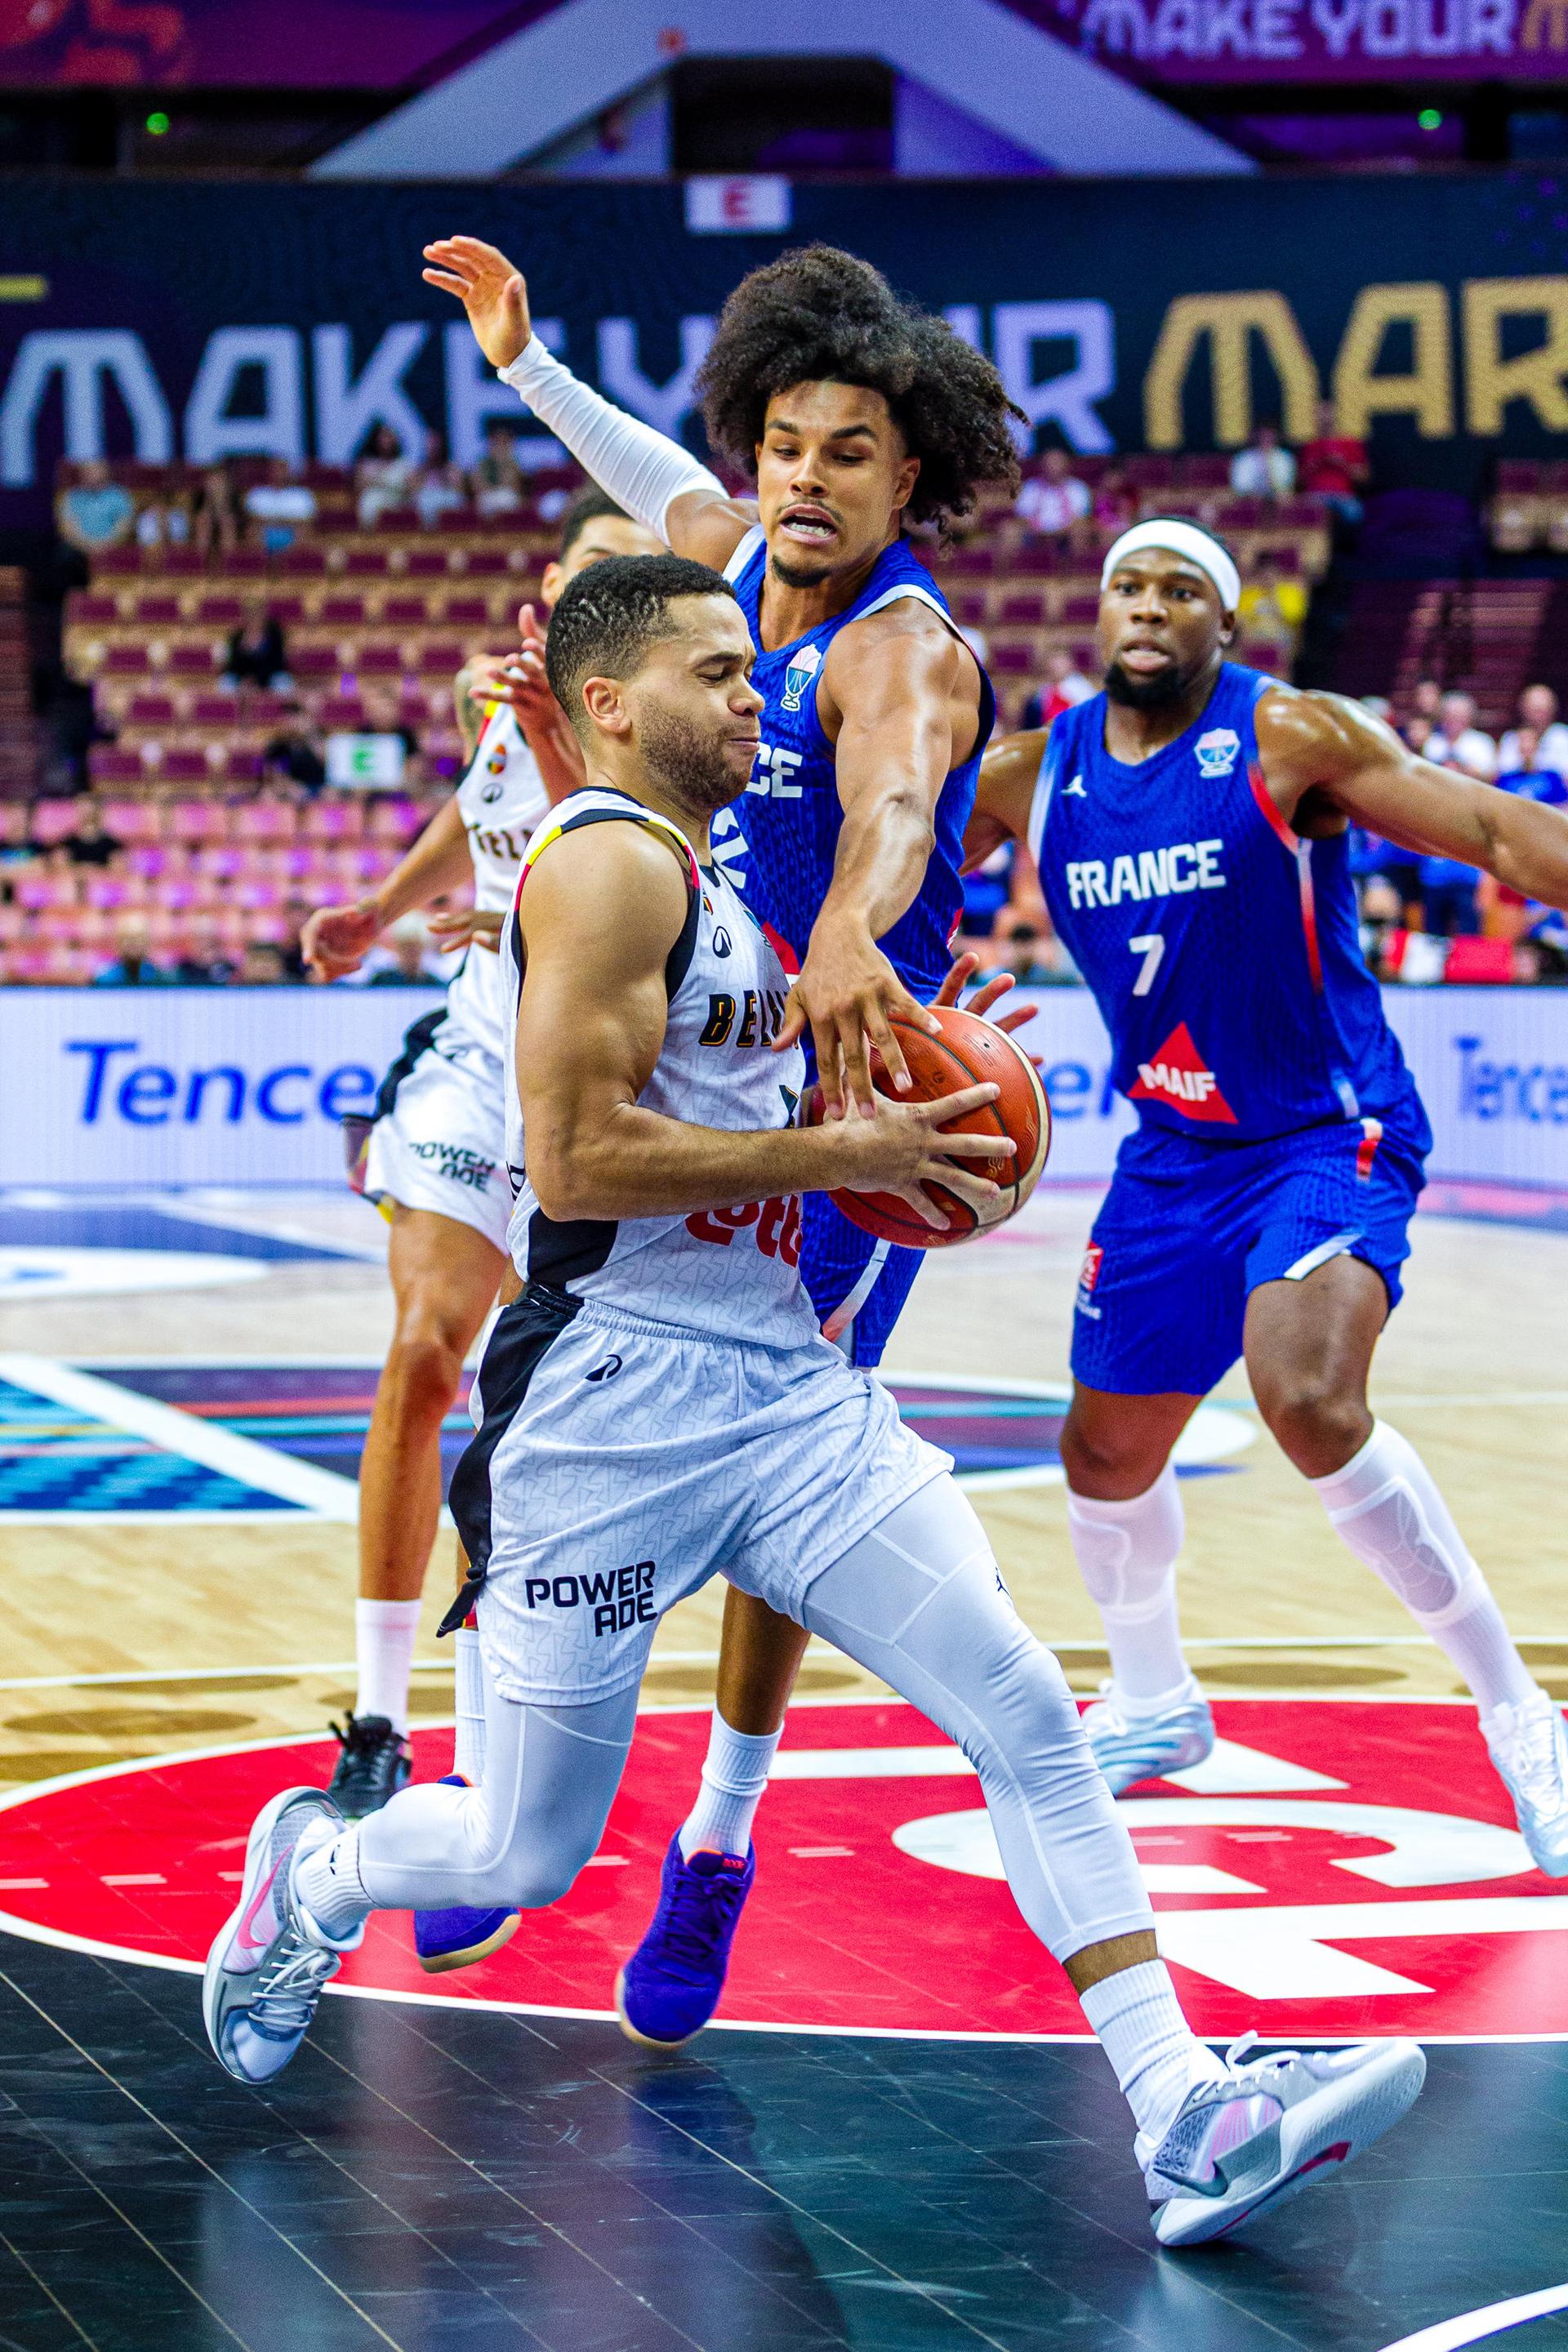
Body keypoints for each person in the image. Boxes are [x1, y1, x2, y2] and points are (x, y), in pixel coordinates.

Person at [204, 555, 1427, 2248]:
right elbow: (575, 1157)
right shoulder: (611, 869)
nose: (753, 698)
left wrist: (920, 1069)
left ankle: (1186, 2113)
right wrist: (843, 1149)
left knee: (1022, 1707)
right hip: (605, 1416)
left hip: (784, 1393)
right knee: (520, 1852)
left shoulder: (702, 877)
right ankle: (318, 1875)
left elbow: (748, 1081)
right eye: (719, 673)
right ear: (617, 705)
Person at [421, 233, 1021, 2020]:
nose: (805, 477)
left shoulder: (906, 642)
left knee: (784, 1500)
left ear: (907, 470)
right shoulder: (729, 560)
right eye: (783, 444)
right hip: (689, 1070)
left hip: (839, 1117)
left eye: (849, 450)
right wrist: (525, 365)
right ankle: (484, 1778)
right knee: (524, 1391)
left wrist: (854, 923)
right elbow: (648, 475)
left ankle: (716, 1849)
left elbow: (899, 803)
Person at [956, 519, 1568, 1856]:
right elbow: (888, 862)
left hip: (1320, 1133)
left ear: (1224, 629)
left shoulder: (1294, 738)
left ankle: (1522, 1715)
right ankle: (1160, 1701)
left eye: (1184, 590)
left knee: (1307, 1395)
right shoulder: (1032, 771)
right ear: (1101, 610)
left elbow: (1493, 832)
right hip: (1171, 1153)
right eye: (1132, 584)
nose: (1150, 606)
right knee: (1102, 1452)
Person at [297, 488, 662, 1827]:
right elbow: (481, 803)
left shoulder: (661, 734)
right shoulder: (499, 697)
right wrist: (383, 909)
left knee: (545, 1423)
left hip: (597, 1094)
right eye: (587, 571)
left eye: (631, 576)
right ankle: (380, 1716)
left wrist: (565, 744)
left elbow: (608, 851)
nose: (599, 595)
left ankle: (499, 1708)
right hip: (471, 1069)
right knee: (423, 1346)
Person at [1296, 400, 1368, 526]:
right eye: (1320, 414)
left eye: (1327, 413)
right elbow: (1298, 481)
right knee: (1305, 512)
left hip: (1344, 496)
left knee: (1355, 514)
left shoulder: (1350, 443)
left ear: (1335, 416)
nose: (1324, 418)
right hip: (1316, 495)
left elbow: (1363, 478)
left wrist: (1342, 463)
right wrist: (1316, 465)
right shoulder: (1309, 446)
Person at [55, 459, 134, 557]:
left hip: (112, 547)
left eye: (93, 470)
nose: (89, 474)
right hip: (79, 549)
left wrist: (106, 545)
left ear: (105, 472)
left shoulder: (120, 495)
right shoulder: (72, 497)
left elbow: (124, 526)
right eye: (86, 471)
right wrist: (88, 546)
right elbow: (67, 529)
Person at [244, 457, 317, 555]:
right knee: (253, 530)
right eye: (275, 469)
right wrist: (287, 520)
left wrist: (273, 520)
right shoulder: (257, 494)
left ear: (289, 471)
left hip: (293, 534)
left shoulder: (302, 495)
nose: (278, 473)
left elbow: (307, 521)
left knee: (303, 531)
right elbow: (253, 519)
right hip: (265, 534)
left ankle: (294, 563)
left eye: (282, 469)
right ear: (269, 471)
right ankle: (258, 565)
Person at [1015, 447, 1090, 540]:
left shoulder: (1077, 487)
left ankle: (1078, 555)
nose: (1053, 467)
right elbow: (1022, 517)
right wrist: (1041, 532)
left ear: (1066, 465)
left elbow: (1080, 518)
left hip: (1067, 535)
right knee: (1010, 530)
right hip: (1033, 535)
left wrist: (1058, 533)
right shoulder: (1030, 487)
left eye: (1057, 462)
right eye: (1050, 463)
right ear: (1042, 465)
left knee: (1080, 530)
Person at [1499, 684, 1568, 779]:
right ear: (1523, 709)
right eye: (1534, 710)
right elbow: (1503, 773)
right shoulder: (1511, 738)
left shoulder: (1563, 735)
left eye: (1542, 710)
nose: (1537, 716)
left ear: (1553, 710)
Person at [1426, 688, 1497, 782]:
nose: (1453, 720)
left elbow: (1490, 776)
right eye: (1449, 714)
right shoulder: (1433, 742)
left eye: (1459, 716)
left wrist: (1461, 769)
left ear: (1469, 717)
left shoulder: (1482, 742)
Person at [355, 423, 415, 528]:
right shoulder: (367, 464)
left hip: (397, 503)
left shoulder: (404, 464)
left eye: (389, 437)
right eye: (383, 437)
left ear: (395, 440)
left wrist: (377, 481)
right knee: (370, 500)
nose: (386, 441)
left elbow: (411, 490)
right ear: (376, 440)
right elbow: (359, 487)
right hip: (372, 502)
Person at [1021, 646, 1095, 729]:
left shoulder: (1082, 689)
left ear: (1070, 664)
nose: (1056, 667)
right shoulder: (1042, 690)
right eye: (1054, 663)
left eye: (1061, 663)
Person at [223, 600, 290, 692]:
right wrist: (244, 650)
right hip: (242, 679)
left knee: (283, 681)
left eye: (258, 614)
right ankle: (231, 706)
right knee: (226, 682)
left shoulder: (275, 636)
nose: (255, 618)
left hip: (269, 677)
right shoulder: (237, 637)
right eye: (251, 614)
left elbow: (278, 663)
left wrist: (258, 680)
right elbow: (232, 666)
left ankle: (279, 706)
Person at [92, 913, 171, 985]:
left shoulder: (160, 979)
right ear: (119, 942)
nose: (134, 943)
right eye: (128, 939)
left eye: (139, 938)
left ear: (148, 942)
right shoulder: (105, 981)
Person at [470, 420, 526, 515]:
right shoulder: (481, 463)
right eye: (497, 442)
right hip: (487, 497)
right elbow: (477, 487)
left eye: (503, 442)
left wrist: (502, 462)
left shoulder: (514, 463)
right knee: (485, 501)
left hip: (507, 496)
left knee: (507, 497)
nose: (500, 446)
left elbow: (513, 486)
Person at [1229, 423, 1294, 500]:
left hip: (1277, 496)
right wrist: (1254, 492)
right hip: (1249, 496)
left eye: (1270, 436)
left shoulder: (1285, 457)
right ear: (1257, 437)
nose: (1266, 439)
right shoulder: (1244, 457)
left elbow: (1287, 483)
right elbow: (1239, 485)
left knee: (1286, 497)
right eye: (1263, 436)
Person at [193, 465, 241, 564]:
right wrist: (209, 499)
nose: (217, 483)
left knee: (228, 523)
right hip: (207, 524)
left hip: (228, 525)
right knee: (203, 520)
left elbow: (236, 516)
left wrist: (222, 500)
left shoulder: (233, 494)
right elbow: (196, 515)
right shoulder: (200, 494)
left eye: (220, 479)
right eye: (214, 479)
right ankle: (201, 561)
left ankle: (228, 562)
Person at [60, 800, 121, 867]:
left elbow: (116, 867)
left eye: (91, 812)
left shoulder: (111, 843)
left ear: (98, 813)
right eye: (84, 812)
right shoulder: (68, 842)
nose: (88, 815)